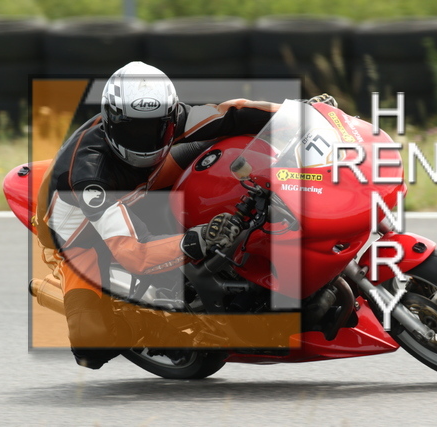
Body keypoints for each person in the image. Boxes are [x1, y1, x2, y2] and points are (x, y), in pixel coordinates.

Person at [35, 61, 285, 369]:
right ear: (111, 124)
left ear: (171, 116)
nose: (145, 139)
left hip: (142, 186)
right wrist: (198, 240)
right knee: (92, 346)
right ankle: (154, 327)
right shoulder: (89, 178)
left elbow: (233, 113)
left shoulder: (176, 119)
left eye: (157, 128)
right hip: (82, 238)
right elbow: (134, 254)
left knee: (223, 138)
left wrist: (304, 114)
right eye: (133, 130)